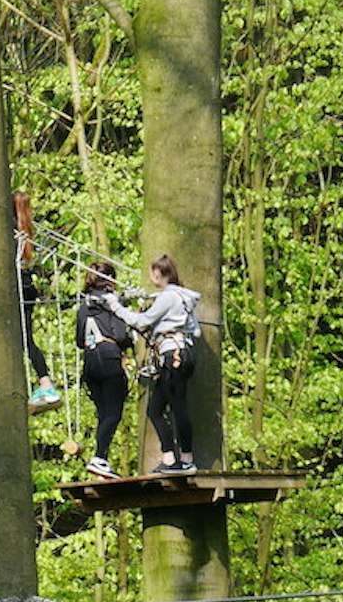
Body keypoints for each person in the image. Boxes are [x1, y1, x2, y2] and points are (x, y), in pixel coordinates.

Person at [109, 253, 202, 474]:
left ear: (159, 273)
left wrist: (116, 307)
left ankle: (187, 461)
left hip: (173, 356)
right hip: (178, 354)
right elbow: (196, 330)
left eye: (152, 273)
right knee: (155, 409)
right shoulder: (183, 299)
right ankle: (170, 460)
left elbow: (141, 321)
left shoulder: (169, 297)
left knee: (178, 406)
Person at [74, 261, 133, 477]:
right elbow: (119, 334)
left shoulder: (84, 306)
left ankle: (101, 461)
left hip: (90, 363)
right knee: (114, 413)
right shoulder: (111, 303)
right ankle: (99, 457)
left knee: (104, 414)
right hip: (109, 360)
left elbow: (80, 340)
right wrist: (131, 338)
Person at [14, 193, 60, 410]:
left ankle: (45, 383)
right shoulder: (27, 228)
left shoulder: (10, 230)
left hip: (17, 288)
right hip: (27, 287)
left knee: (25, 341)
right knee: (25, 340)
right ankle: (43, 383)